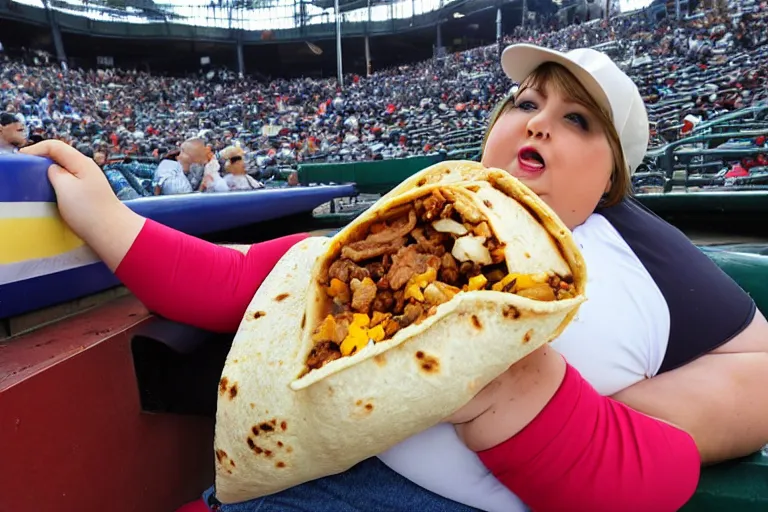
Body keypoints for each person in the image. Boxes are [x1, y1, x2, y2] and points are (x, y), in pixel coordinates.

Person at [21, 43, 768, 512]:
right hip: (293, 473)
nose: (540, 122)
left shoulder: (636, 267)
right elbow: (252, 278)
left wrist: (520, 396)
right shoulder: (423, 205)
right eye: (528, 102)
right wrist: (109, 222)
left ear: (613, 177)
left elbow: (653, 474)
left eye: (579, 121)